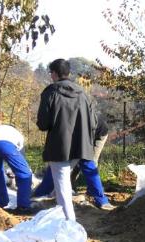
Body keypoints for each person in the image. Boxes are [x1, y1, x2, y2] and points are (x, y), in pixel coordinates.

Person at [36, 58, 99, 221]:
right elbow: (94, 123)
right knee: (62, 182)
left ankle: (69, 223)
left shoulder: (50, 92)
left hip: (59, 147)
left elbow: (43, 124)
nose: (50, 76)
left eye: (51, 72)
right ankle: (58, 216)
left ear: (55, 74)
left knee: (63, 184)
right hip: (82, 147)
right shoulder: (83, 94)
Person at [0, 123, 33, 213]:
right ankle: (23, 206)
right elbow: (21, 158)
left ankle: (1, 202)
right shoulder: (18, 135)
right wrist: (17, 170)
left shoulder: (2, 129)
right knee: (24, 172)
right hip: (5, 144)